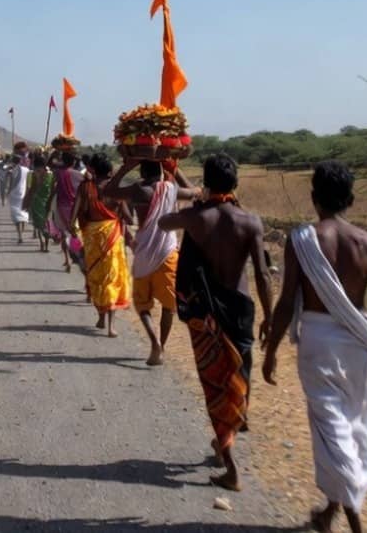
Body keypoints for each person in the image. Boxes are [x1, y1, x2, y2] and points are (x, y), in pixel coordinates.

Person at [261, 161, 367, 533]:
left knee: (331, 429)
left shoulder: (302, 240)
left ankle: (354, 518)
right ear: (352, 200)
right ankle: (330, 513)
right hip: (357, 347)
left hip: (317, 343)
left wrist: (271, 351)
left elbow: (286, 302)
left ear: (314, 199)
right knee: (352, 427)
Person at [158, 154, 273, 492]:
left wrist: (195, 199)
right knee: (239, 373)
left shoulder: (197, 219)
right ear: (235, 183)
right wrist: (268, 314)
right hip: (240, 310)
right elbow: (263, 274)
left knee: (215, 385)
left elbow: (164, 223)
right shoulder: (250, 222)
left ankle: (231, 466)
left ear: (206, 183)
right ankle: (234, 430)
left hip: (206, 315)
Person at [103, 160, 199, 365]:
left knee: (142, 305)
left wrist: (125, 167)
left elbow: (109, 191)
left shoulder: (139, 190)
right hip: (168, 253)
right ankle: (162, 346)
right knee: (169, 306)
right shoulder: (171, 189)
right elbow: (194, 192)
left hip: (144, 253)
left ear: (143, 172)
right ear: (161, 171)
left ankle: (154, 343)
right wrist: (175, 168)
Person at [73, 153, 132, 337]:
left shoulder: (85, 187)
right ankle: (110, 326)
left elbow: (74, 214)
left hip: (92, 239)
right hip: (112, 239)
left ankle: (101, 316)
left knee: (97, 278)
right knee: (111, 278)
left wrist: (74, 233)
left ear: (93, 170)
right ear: (110, 171)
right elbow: (129, 218)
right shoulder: (116, 190)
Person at [50, 151, 85, 272]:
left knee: (64, 234)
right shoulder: (80, 175)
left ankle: (67, 259)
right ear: (74, 161)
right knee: (76, 234)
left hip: (60, 207)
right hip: (76, 208)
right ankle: (78, 256)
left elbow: (53, 189)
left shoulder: (58, 174)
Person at [23, 155, 55, 252]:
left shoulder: (50, 175)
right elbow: (30, 189)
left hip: (46, 203)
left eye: (38, 167)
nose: (37, 169)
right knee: (39, 225)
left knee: (45, 225)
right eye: (37, 167)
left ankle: (45, 245)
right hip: (37, 202)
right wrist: (26, 201)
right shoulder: (33, 175)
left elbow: (53, 189)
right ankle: (42, 244)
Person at [4, 155, 30, 243]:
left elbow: (10, 184)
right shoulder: (26, 170)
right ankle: (21, 232)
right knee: (22, 214)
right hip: (24, 194)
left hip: (14, 196)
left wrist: (7, 194)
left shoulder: (11, 171)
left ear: (13, 161)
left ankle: (20, 236)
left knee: (16, 217)